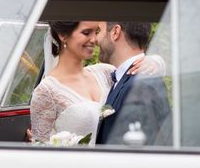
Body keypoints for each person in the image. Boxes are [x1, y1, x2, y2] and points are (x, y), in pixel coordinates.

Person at [30, 21, 164, 144]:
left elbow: (130, 71)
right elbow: (41, 147)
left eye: (97, 32)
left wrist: (155, 61)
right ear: (63, 35)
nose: (94, 40)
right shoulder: (46, 91)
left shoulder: (104, 72)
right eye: (86, 33)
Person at [95, 21, 171, 146]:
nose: (96, 39)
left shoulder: (141, 85)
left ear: (115, 32)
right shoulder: (125, 79)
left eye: (99, 31)